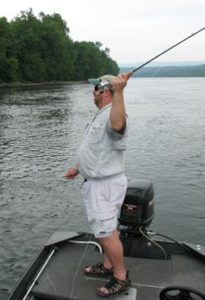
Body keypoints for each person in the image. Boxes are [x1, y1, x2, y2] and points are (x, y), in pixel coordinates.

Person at [64, 73, 131, 297]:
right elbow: (96, 150)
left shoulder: (113, 115)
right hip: (99, 182)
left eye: (94, 89)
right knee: (108, 229)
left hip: (104, 186)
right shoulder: (100, 116)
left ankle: (121, 276)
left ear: (103, 91)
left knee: (105, 233)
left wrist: (119, 93)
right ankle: (109, 266)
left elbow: (119, 125)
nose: (91, 93)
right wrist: (78, 167)